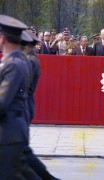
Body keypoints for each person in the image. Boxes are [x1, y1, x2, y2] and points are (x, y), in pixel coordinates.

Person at [0, 14, 40, 179]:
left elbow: (2, 102)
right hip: (12, 132)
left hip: (9, 133)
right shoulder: (16, 61)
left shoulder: (14, 64)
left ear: (2, 39)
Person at [21, 30, 61, 180]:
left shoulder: (30, 61)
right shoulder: (30, 59)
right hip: (26, 104)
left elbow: (23, 86)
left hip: (24, 105)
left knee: (23, 152)